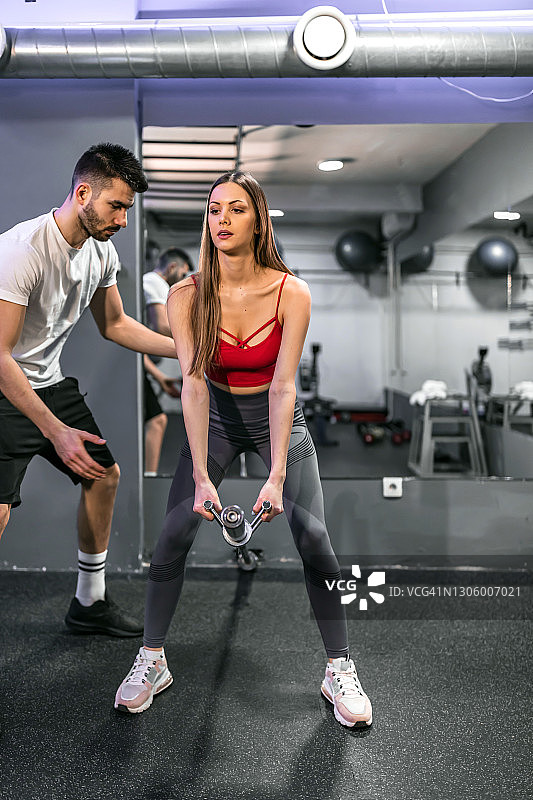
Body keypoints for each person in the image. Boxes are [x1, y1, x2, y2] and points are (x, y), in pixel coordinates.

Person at [114, 171, 372, 728]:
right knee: (175, 529)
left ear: (259, 219)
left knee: (314, 536)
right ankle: (152, 657)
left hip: (278, 419)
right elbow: (194, 383)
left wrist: (276, 474)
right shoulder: (188, 294)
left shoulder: (291, 292)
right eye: (213, 210)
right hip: (218, 419)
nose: (222, 219)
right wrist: (204, 480)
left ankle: (339, 667)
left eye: (235, 209)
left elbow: (283, 386)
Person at [0, 142, 177, 637]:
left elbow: (116, 324)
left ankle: (89, 604)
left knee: (104, 476)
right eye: (116, 205)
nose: (123, 219)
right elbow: (0, 357)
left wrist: (184, 350)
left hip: (49, 383)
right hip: (4, 388)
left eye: (127, 208)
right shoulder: (21, 250)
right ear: (83, 193)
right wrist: (55, 432)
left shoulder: (101, 251)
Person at [143, 247, 193, 475]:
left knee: (154, 419)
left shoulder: (151, 282)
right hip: (131, 361)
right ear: (173, 267)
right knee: (158, 420)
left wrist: (160, 377)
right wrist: (197, 341)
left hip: (140, 363)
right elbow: (161, 326)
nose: (183, 279)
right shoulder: (155, 283)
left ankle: (147, 475)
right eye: (183, 274)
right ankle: (150, 477)